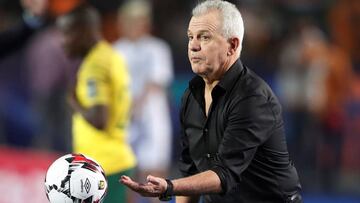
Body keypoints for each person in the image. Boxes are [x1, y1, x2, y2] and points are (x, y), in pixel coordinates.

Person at [120, 1, 302, 203]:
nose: (193, 45)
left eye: (204, 37)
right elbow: (191, 171)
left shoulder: (253, 98)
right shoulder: (192, 96)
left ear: (232, 45)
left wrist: (169, 187)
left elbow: (224, 175)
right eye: (191, 37)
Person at [57, 4, 136, 203]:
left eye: (66, 34)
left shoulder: (94, 65)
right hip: (115, 160)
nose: (62, 42)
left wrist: (73, 102)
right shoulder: (111, 55)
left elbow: (99, 119)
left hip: (102, 167)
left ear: (84, 31)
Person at [113, 1, 174, 202]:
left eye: (140, 20)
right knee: (127, 177)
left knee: (155, 178)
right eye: (131, 20)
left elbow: (157, 82)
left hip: (152, 121)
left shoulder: (158, 48)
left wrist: (137, 105)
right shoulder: (115, 50)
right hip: (124, 122)